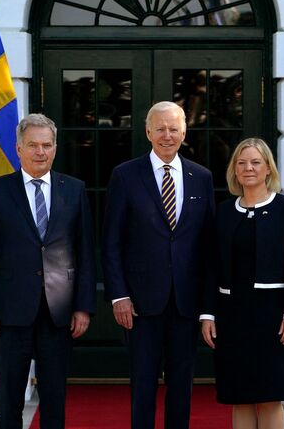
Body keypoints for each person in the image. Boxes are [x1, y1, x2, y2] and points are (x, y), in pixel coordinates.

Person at [0, 113, 96, 429]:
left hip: (59, 312)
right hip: (10, 312)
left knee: (55, 397)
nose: (40, 152)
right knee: (11, 397)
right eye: (33, 145)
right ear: (18, 149)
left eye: (46, 145)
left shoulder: (74, 189)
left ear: (55, 148)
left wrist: (84, 306)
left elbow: (85, 252)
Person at [102, 101, 216, 429]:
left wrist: (208, 308)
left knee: (182, 385)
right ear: (148, 131)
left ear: (185, 132)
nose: (167, 135)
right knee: (143, 384)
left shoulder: (201, 177)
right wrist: (119, 295)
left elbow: (208, 249)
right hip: (139, 303)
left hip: (186, 303)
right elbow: (111, 243)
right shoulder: (125, 175)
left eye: (174, 128)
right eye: (160, 128)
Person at [200, 138, 284, 429]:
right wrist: (207, 314)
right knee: (240, 395)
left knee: (270, 395)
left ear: (268, 169)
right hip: (231, 315)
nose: (248, 168)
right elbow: (211, 267)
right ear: (234, 169)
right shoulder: (222, 212)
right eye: (242, 163)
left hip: (271, 317)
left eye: (256, 162)